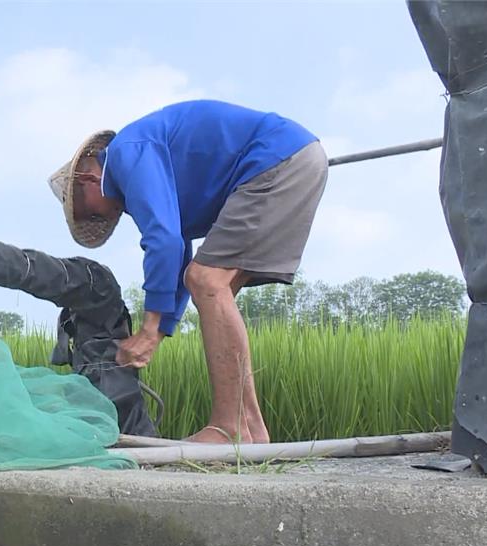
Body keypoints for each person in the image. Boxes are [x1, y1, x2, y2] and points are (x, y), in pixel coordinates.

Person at [48, 99, 328, 444]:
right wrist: (161, 330)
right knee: (211, 286)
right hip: (290, 159)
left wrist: (149, 328)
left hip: (275, 159)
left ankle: (230, 428)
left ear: (88, 179)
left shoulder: (126, 152)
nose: (101, 219)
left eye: (90, 214)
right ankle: (250, 428)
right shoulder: (139, 161)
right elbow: (179, 247)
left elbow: (163, 241)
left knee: (208, 281)